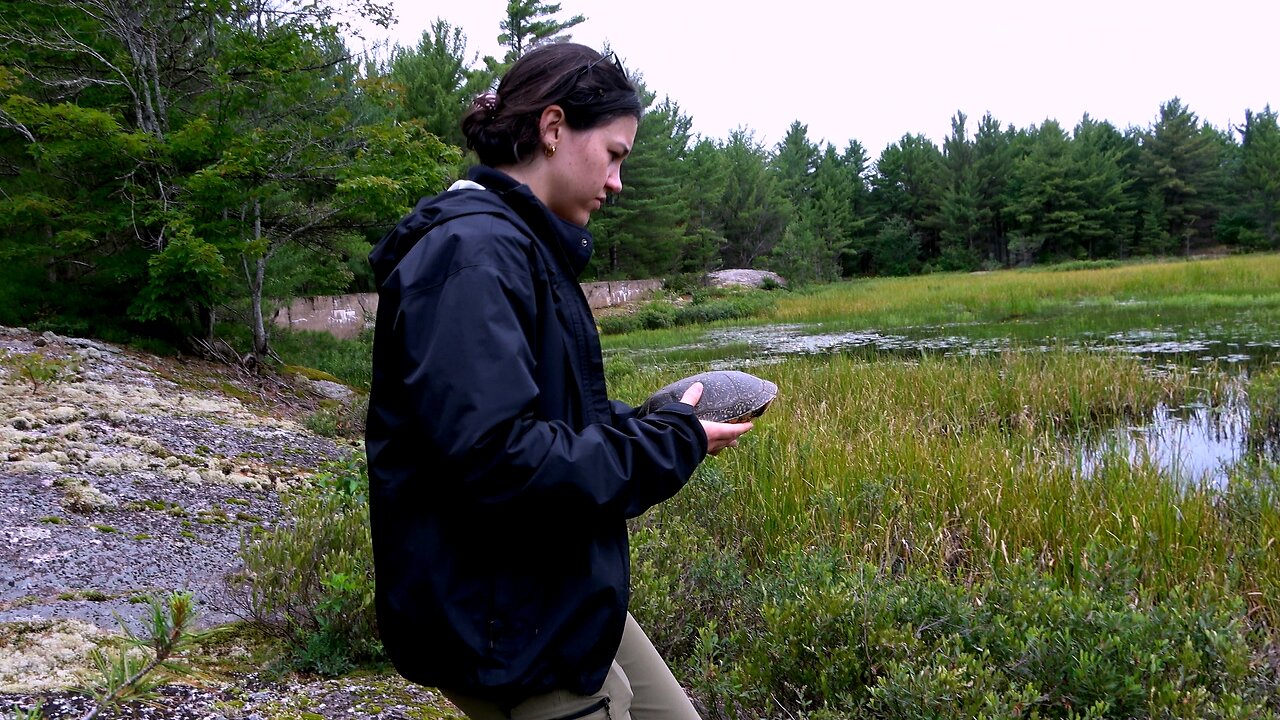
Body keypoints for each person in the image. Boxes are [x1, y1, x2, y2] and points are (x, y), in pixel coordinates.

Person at [365, 43, 753, 720]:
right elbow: (498, 459)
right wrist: (666, 448)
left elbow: (547, 421)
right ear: (552, 130)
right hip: (500, 613)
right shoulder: (473, 256)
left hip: (547, 578)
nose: (618, 182)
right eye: (614, 154)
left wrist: (661, 427)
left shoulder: (523, 247)